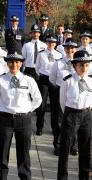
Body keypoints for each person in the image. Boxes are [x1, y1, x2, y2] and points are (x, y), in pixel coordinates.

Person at [0, 50, 42, 180]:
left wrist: (28, 109)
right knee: (2, 152)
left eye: (17, 62)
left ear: (21, 63)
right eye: (11, 62)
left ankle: (25, 177)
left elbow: (38, 99)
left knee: (23, 153)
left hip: (24, 120)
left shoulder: (28, 80)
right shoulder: (0, 80)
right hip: (5, 119)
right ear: (7, 63)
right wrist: (1, 107)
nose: (14, 65)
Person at [57, 50, 92, 180]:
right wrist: (70, 113)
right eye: (81, 65)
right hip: (71, 114)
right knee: (65, 148)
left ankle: (84, 176)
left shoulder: (90, 81)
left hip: (87, 115)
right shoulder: (68, 81)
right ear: (74, 66)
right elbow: (62, 101)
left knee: (86, 148)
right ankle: (62, 177)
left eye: (86, 65)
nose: (84, 68)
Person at [49, 38, 78, 155]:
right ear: (64, 49)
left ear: (76, 49)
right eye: (67, 48)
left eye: (72, 48)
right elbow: (52, 78)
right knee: (59, 120)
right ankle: (59, 145)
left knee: (75, 121)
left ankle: (73, 146)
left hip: (75, 94)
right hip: (60, 92)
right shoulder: (58, 63)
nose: (70, 50)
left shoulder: (80, 63)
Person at [35, 36, 62, 136]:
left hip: (55, 81)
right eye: (49, 42)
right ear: (46, 43)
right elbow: (37, 68)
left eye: (53, 42)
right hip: (44, 80)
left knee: (55, 106)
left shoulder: (59, 55)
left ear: (55, 44)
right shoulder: (41, 54)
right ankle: (39, 127)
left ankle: (54, 128)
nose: (51, 44)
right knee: (41, 105)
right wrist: (42, 75)